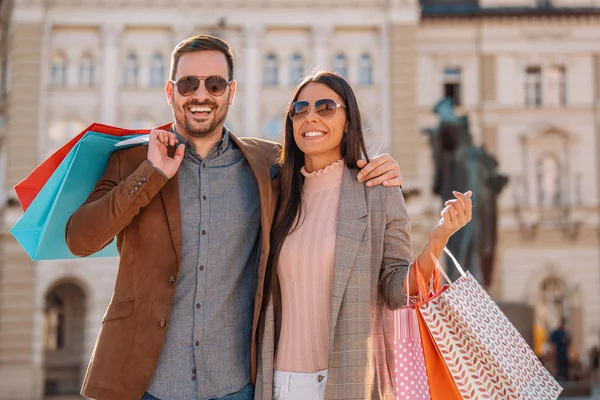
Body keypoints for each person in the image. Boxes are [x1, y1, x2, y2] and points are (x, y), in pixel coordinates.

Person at [65, 36, 402, 400]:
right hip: (145, 382)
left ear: (231, 91)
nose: (200, 95)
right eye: (187, 83)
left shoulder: (268, 165)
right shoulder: (131, 162)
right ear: (170, 91)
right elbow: (80, 240)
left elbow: (323, 162)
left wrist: (375, 169)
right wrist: (152, 173)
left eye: (215, 84)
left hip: (236, 384)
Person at [254, 71, 472, 399]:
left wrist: (438, 238)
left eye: (326, 107)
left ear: (348, 120)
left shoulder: (378, 191)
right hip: (279, 384)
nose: (310, 115)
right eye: (300, 108)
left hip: (350, 381)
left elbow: (396, 291)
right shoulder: (274, 193)